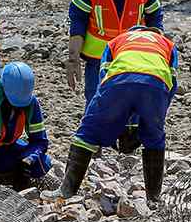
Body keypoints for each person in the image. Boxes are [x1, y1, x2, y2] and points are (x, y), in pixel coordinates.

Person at [60, 26, 178, 204]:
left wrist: (115, 118)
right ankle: (153, 199)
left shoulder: (116, 41)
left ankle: (66, 191)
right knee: (155, 138)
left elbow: (103, 75)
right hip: (156, 83)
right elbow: (173, 81)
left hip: (119, 78)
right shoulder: (168, 44)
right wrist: (152, 119)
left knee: (88, 132)